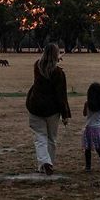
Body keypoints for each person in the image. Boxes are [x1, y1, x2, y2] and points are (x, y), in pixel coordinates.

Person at [26, 43, 71, 175]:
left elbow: (45, 64)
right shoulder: (59, 73)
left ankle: (44, 163)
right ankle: (48, 163)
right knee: (52, 139)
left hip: (35, 107)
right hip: (52, 110)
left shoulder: (37, 66)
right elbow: (61, 95)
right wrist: (65, 114)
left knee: (40, 137)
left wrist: (56, 59)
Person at [82, 82, 100, 174]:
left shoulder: (87, 103)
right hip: (99, 128)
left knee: (88, 149)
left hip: (89, 128)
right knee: (99, 149)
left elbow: (84, 114)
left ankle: (88, 167)